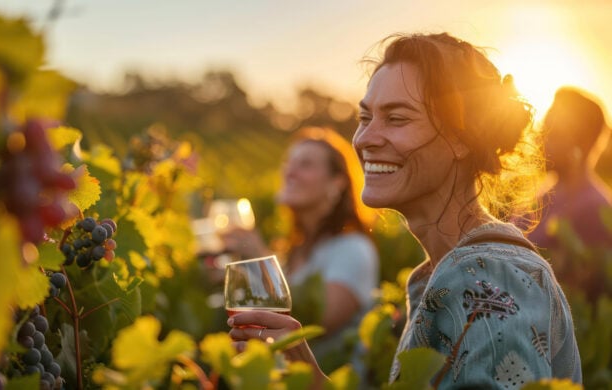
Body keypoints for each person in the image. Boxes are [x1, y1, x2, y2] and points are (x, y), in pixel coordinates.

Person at [228, 32, 582, 389]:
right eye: (365, 117)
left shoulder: (488, 276)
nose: (365, 138)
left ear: (462, 137)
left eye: (396, 119)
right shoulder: (443, 273)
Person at [220, 126, 380, 372]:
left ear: (337, 182)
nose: (289, 172)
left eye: (305, 164)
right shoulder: (291, 251)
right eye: (289, 162)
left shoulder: (353, 249)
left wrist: (259, 260)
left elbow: (319, 318)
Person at [526, 87, 612, 301]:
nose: (540, 140)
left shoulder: (594, 209)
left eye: (552, 134)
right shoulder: (543, 196)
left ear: (579, 143)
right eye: (542, 130)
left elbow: (583, 300)